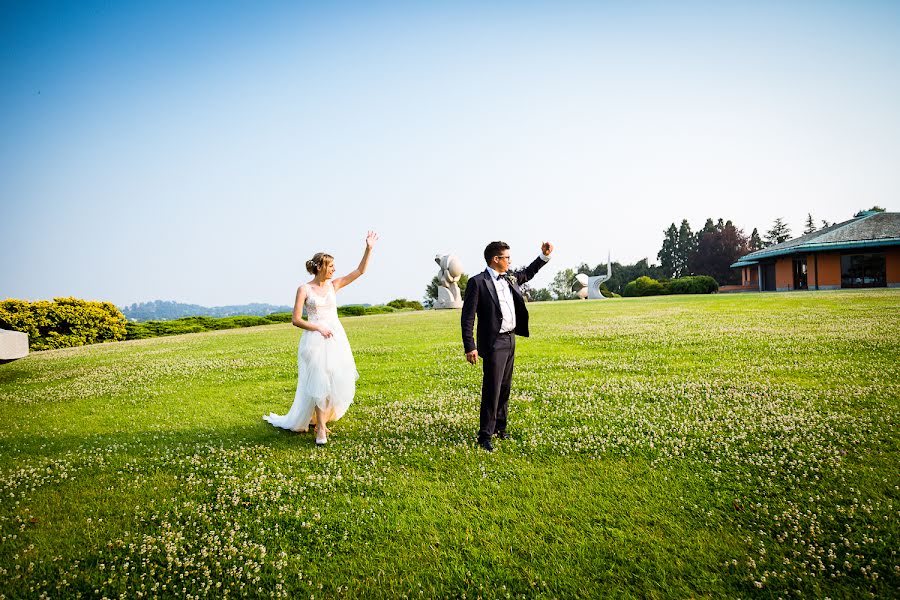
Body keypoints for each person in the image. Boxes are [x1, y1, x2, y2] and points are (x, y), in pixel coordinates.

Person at [263, 231, 379, 445]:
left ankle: (321, 420)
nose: (334, 269)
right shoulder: (304, 289)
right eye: (331, 266)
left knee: (333, 377)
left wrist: (369, 248)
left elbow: (360, 271)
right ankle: (321, 430)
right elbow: (296, 319)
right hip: (314, 340)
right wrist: (317, 328)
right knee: (319, 379)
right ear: (320, 267)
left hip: (335, 338)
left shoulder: (334, 286)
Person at [461, 240, 553, 452]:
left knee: (504, 387)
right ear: (496, 259)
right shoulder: (478, 282)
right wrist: (470, 346)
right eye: (507, 258)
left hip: (511, 339)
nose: (510, 261)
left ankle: (500, 428)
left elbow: (529, 273)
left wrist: (544, 256)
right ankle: (485, 435)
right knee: (492, 389)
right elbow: (468, 318)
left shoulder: (510, 277)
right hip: (494, 342)